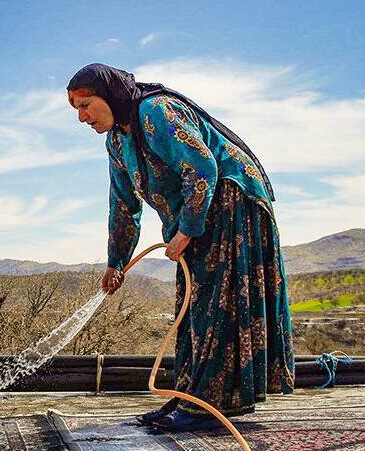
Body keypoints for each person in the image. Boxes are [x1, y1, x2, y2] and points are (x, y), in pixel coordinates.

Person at [68, 64, 294, 430]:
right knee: (192, 305)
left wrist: (187, 230)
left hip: (231, 201)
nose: (82, 117)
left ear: (109, 96)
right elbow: (124, 205)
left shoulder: (154, 111)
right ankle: (189, 394)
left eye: (86, 104)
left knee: (217, 302)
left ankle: (209, 406)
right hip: (202, 212)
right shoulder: (117, 142)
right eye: (75, 109)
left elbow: (202, 166)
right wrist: (115, 262)